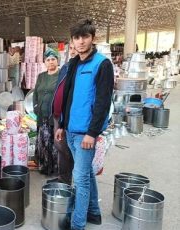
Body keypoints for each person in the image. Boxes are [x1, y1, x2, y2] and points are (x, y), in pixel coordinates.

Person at [55, 19, 114, 230]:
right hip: (70, 130)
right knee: (86, 173)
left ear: (92, 38)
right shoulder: (72, 63)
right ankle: (94, 213)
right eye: (77, 37)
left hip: (85, 134)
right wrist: (61, 124)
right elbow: (67, 96)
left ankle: (77, 224)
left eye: (85, 37)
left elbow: (103, 102)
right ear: (72, 40)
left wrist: (92, 133)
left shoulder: (102, 64)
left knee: (79, 179)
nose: (80, 42)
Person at [51, 41, 77, 185]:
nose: (73, 51)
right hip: (57, 114)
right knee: (60, 147)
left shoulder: (79, 68)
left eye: (75, 49)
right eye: (71, 49)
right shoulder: (66, 67)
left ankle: (70, 178)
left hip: (69, 116)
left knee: (68, 148)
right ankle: (63, 178)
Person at [33, 48, 59, 175]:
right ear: (45, 62)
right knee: (42, 141)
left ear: (57, 61)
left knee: (54, 142)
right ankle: (43, 166)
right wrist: (36, 107)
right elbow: (35, 93)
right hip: (41, 115)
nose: (50, 62)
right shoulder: (41, 76)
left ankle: (54, 168)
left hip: (54, 116)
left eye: (53, 59)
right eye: (48, 60)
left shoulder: (61, 76)